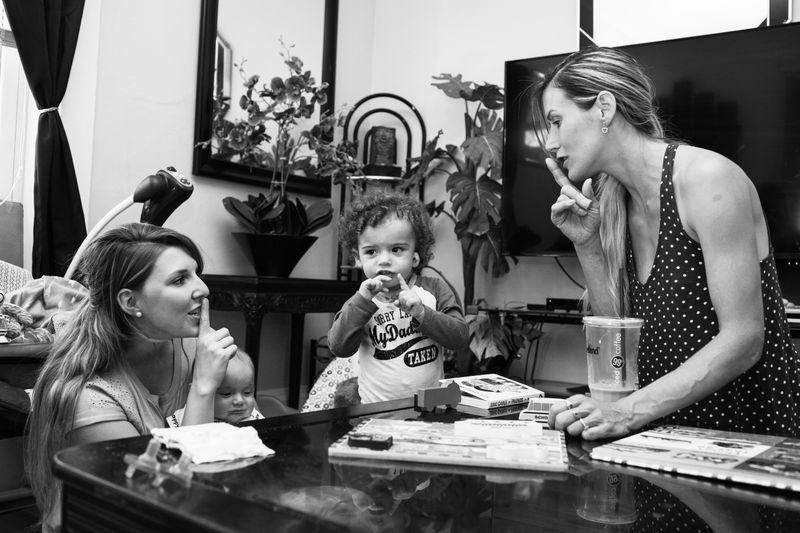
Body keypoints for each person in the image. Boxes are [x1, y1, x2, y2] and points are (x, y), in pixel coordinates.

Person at [533, 46, 800, 441]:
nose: (551, 143)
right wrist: (587, 245)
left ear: (604, 108)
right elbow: (622, 346)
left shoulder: (708, 179)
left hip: (749, 443)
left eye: (556, 121)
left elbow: (744, 340)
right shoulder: (614, 203)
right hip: (663, 441)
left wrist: (624, 412)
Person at [26, 223, 237, 532]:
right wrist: (203, 389)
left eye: (196, 273)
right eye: (180, 279)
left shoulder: (192, 347)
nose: (203, 288)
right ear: (130, 302)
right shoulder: (86, 395)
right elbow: (165, 496)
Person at [329, 191, 469, 403]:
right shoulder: (360, 301)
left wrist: (421, 312)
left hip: (428, 408)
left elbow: (459, 338)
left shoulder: (434, 290)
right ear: (358, 259)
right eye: (371, 252)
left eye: (396, 249)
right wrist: (360, 303)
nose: (384, 260)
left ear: (414, 257)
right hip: (374, 413)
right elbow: (339, 347)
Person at [166, 350, 265, 426]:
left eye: (247, 392)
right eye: (226, 394)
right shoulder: (186, 417)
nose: (239, 401)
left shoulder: (253, 417)